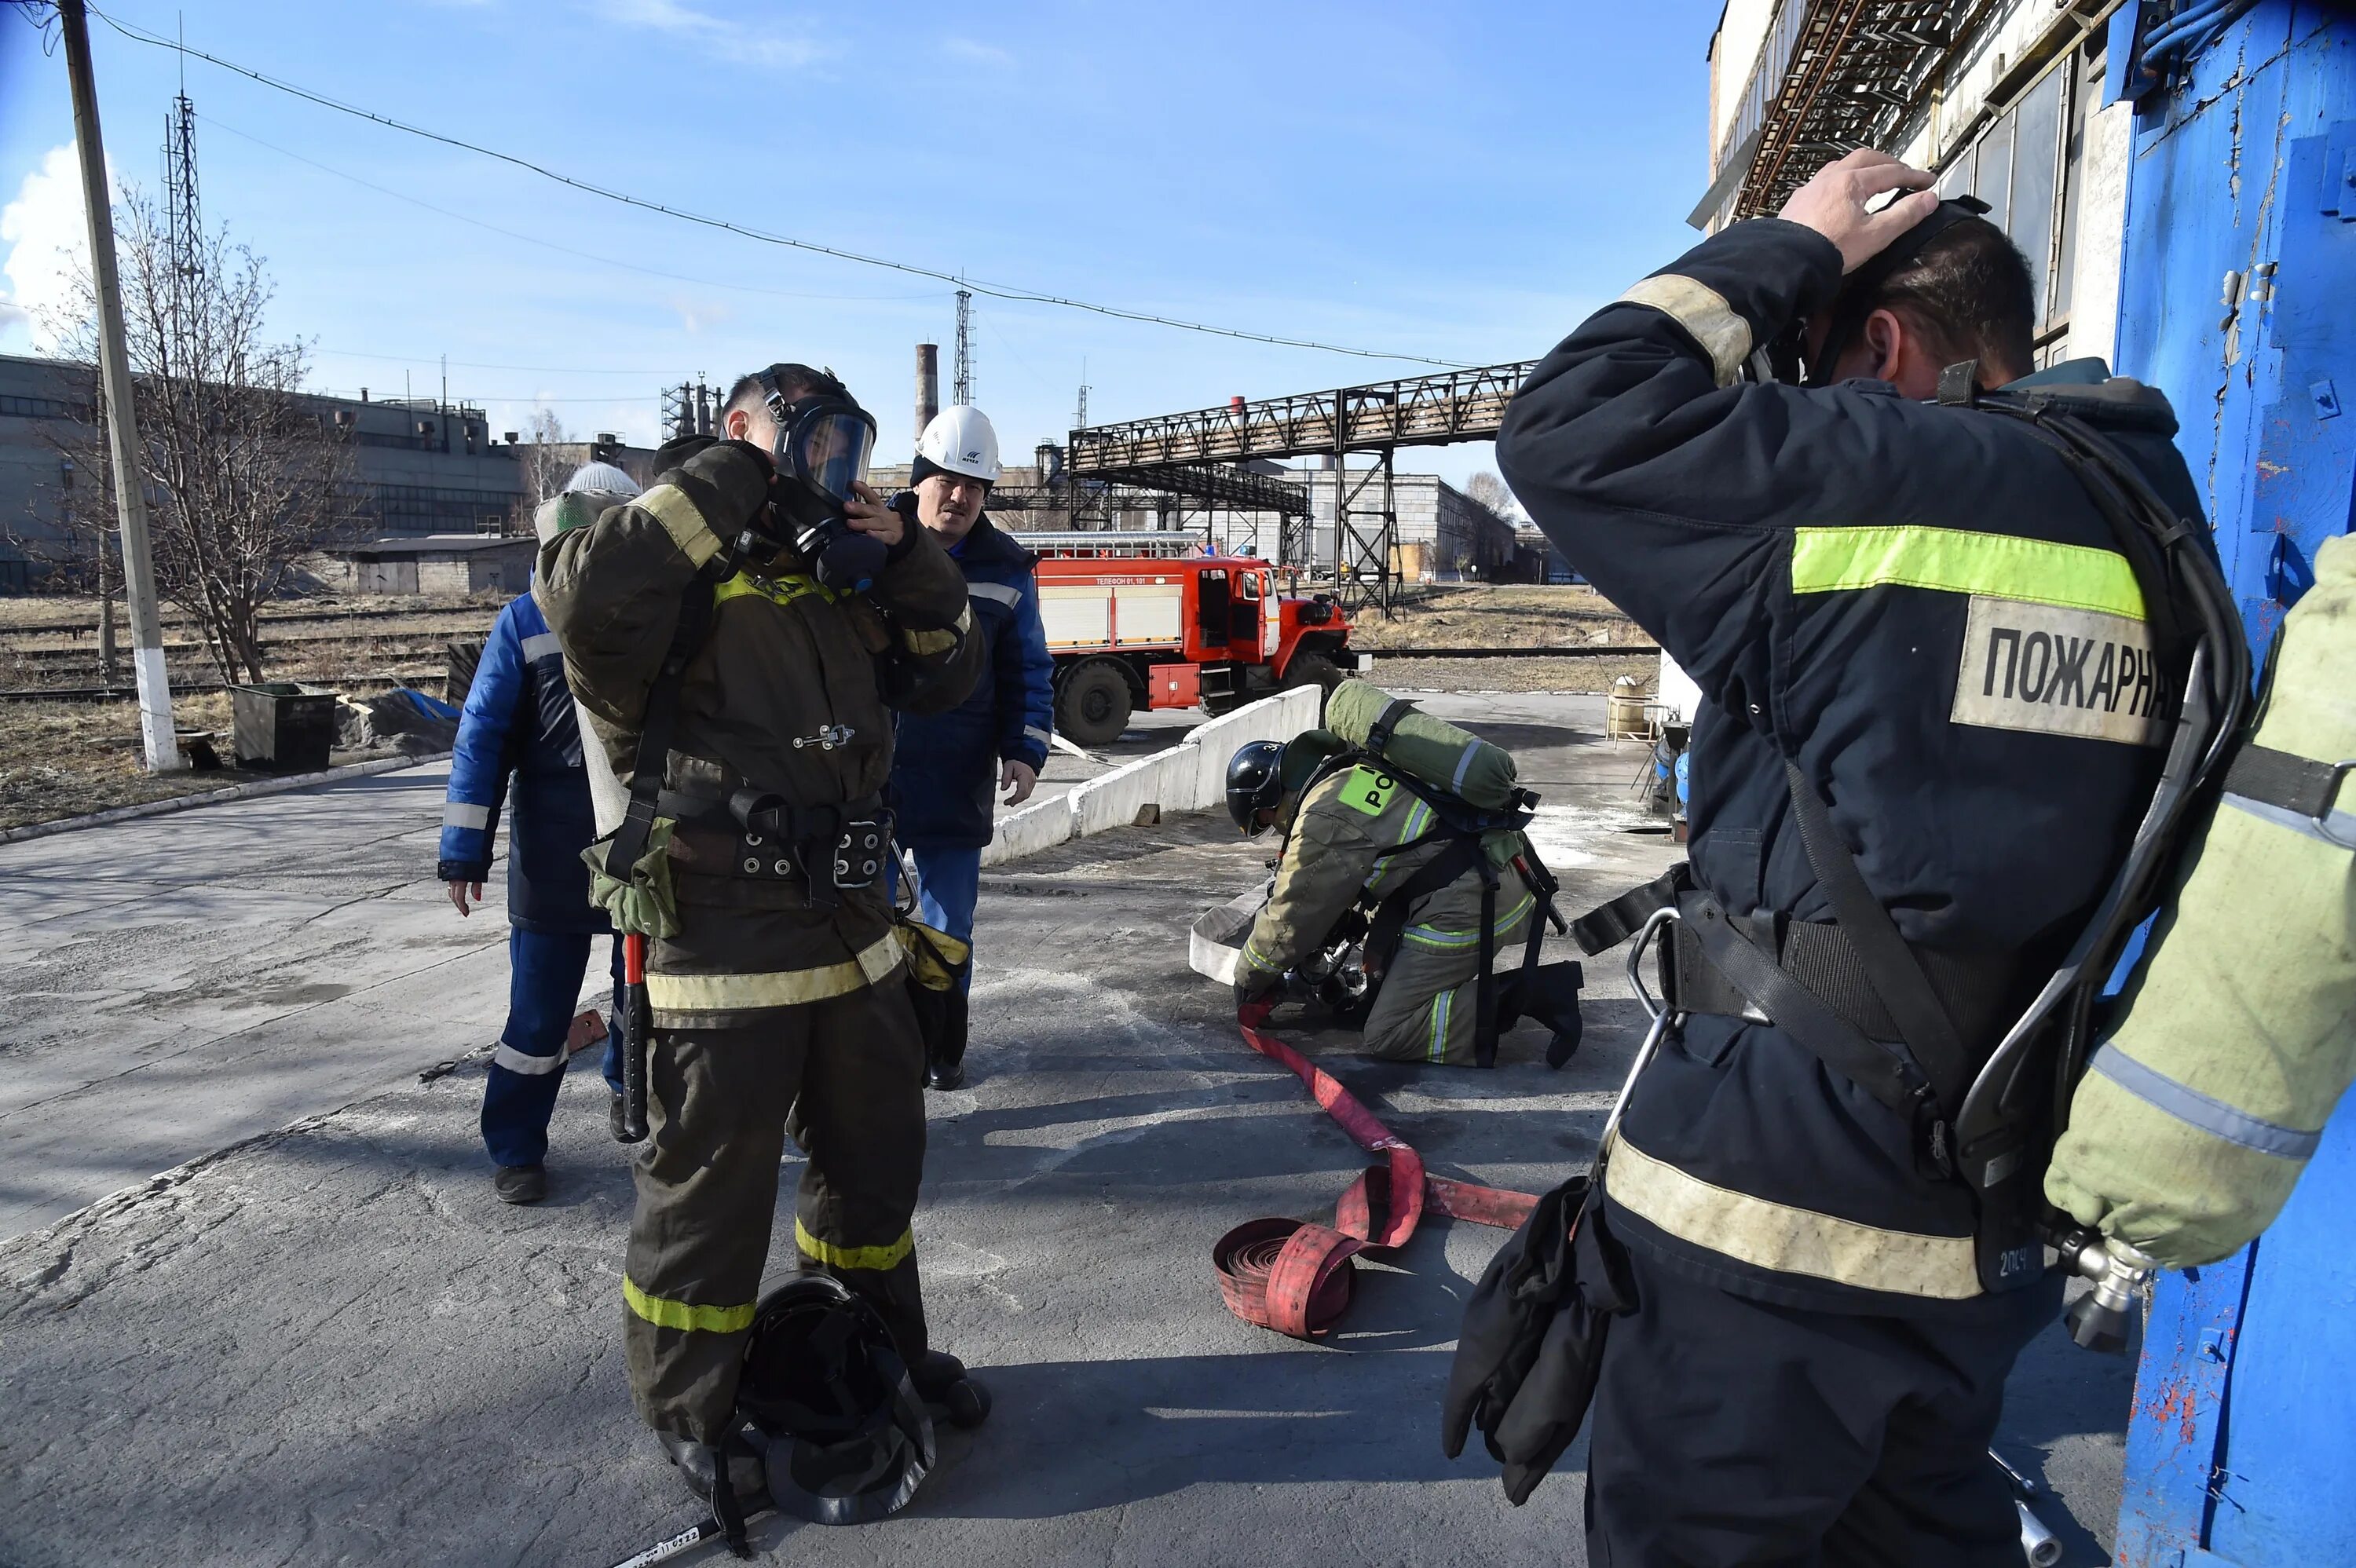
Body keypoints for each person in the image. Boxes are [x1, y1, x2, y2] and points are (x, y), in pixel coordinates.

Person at [1494, 149, 2218, 1564]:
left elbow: (1570, 429)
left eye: (1809, 364)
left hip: (1762, 1217)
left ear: (1879, 343)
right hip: (1980, 1219)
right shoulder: (2158, 528)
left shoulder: (1895, 477)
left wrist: (1783, 245)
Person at [536, 364, 984, 1508]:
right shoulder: (664, 575)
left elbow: (948, 670)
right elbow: (583, 604)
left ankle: (872, 1351)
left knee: (874, 1178)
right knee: (709, 1202)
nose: (834, 469)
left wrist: (900, 558)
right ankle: (689, 1407)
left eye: (851, 448)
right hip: (723, 951)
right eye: (814, 443)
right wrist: (739, 469)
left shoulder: (832, 581)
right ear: (742, 434)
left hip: (854, 939)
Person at [437, 461, 635, 1205]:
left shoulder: (653, 614)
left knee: (639, 994)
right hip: (551, 853)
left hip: (634, 843)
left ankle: (631, 1097)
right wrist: (465, 846)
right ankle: (516, 1147)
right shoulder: (523, 621)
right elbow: (483, 735)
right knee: (539, 1016)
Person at [1221, 686, 1581, 1067]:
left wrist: (1250, 974)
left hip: (1467, 906)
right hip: (1500, 873)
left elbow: (1295, 911)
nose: (1274, 830)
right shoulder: (1350, 774)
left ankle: (1534, 995)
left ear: (1272, 794)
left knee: (1389, 1031)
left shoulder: (1322, 817)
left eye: (1264, 821)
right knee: (1376, 993)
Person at [887, 405, 1054, 1090]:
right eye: (947, 480)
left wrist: (1026, 747)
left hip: (956, 770)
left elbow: (1029, 669)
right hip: (869, 771)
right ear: (921, 476)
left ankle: (939, 1048)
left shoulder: (1007, 569)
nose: (958, 497)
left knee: (947, 927)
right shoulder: (870, 543)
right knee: (854, 923)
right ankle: (867, 1054)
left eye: (973, 486)